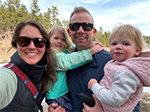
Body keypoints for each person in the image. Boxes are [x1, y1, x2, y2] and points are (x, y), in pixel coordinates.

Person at [49, 6, 141, 112]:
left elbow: (134, 106)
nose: (80, 31)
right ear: (69, 32)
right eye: (75, 26)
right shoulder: (64, 61)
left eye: (86, 26)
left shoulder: (112, 61)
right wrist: (56, 108)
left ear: (94, 32)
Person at [88, 24, 150, 112]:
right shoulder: (121, 63)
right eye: (114, 43)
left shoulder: (126, 73)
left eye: (125, 43)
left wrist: (94, 86)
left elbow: (114, 99)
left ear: (137, 50)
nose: (118, 47)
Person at [0, 20, 57, 112]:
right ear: (16, 44)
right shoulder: (7, 77)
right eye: (24, 40)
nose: (32, 47)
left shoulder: (43, 71)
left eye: (39, 41)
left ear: (45, 46)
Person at [46, 25, 103, 112]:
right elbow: (68, 60)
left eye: (63, 39)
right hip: (56, 96)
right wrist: (91, 51)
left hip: (62, 94)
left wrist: (90, 45)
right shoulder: (51, 55)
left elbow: (71, 48)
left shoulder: (61, 51)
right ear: (48, 39)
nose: (59, 42)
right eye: (56, 38)